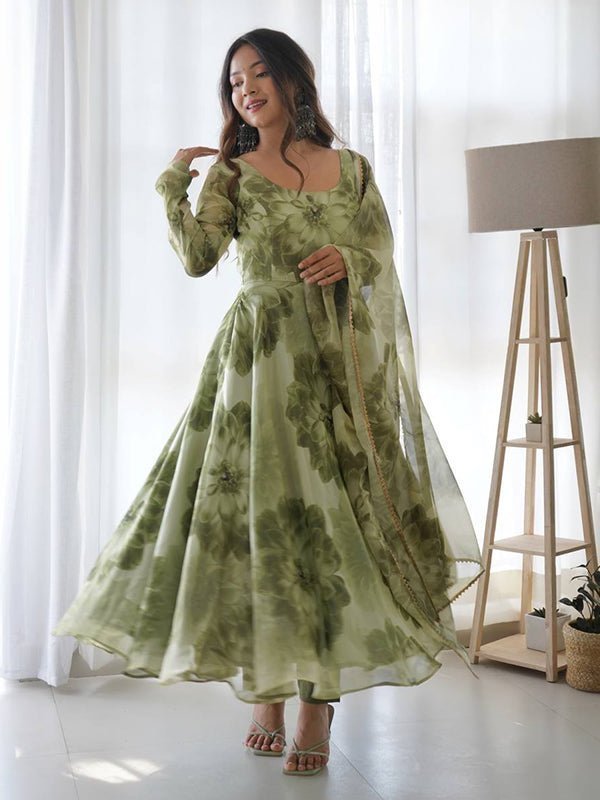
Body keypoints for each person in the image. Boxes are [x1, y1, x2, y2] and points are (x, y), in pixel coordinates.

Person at [52, 28, 484, 778]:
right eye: (233, 82)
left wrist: (349, 257)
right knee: (269, 529)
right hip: (259, 370)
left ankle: (319, 704)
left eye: (257, 74)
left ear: (292, 79)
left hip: (341, 367)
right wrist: (171, 186)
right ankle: (268, 690)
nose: (245, 89)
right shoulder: (233, 174)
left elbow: (380, 254)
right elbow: (198, 260)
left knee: (335, 532)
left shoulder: (353, 169)